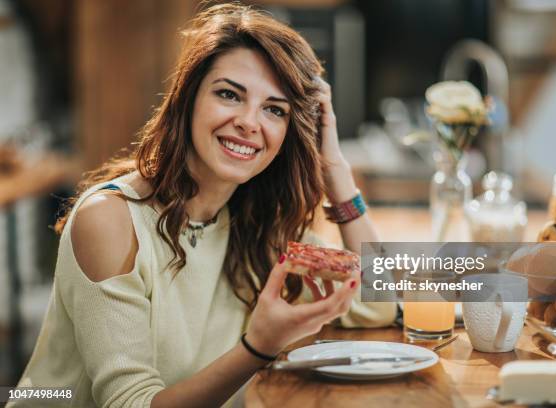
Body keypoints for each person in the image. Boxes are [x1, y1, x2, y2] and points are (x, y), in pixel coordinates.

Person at [9, 3, 396, 407]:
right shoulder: (110, 220)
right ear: (188, 99)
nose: (250, 122)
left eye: (274, 109)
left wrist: (336, 173)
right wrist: (258, 348)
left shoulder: (257, 222)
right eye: (229, 94)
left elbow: (380, 302)